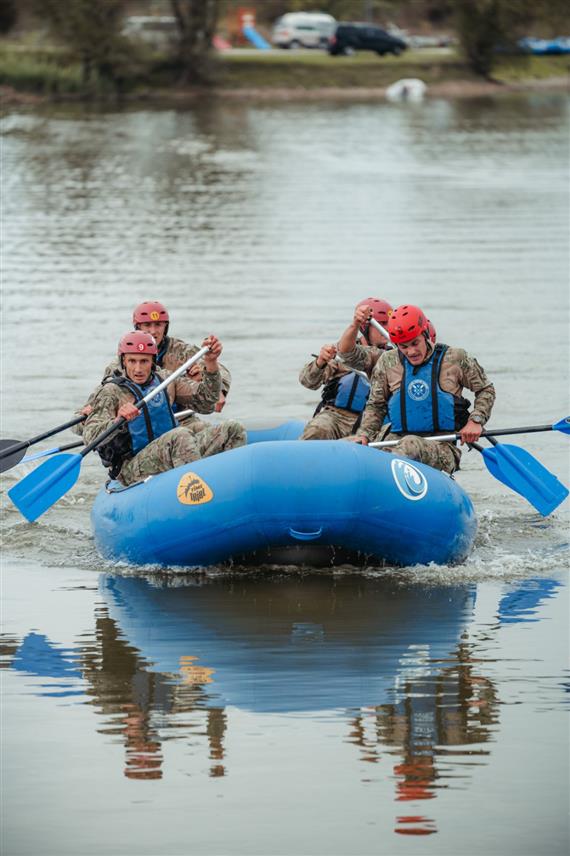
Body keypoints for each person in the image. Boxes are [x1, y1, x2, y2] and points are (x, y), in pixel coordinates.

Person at [344, 304, 495, 473]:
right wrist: (364, 434)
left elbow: (485, 389)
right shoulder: (387, 362)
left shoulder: (455, 358)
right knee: (348, 448)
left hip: (441, 445)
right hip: (393, 441)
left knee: (410, 444)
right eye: (403, 346)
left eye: (415, 343)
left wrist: (476, 420)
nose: (411, 351)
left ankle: (385, 476)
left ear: (425, 334)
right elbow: (376, 405)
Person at [83, 331, 246, 486]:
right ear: (123, 361)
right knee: (180, 435)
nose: (138, 369)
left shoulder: (166, 379)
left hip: (170, 449)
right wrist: (117, 421)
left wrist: (210, 364)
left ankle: (233, 487)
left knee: (232, 429)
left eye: (144, 361)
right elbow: (90, 436)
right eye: (132, 361)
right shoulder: (110, 391)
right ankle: (198, 493)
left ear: (152, 361)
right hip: (132, 465)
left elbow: (207, 403)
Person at [75, 300, 232, 430]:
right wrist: (86, 417)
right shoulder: (118, 366)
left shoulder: (182, 352)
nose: (153, 331)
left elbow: (217, 376)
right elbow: (102, 400)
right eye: (147, 325)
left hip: (181, 418)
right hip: (141, 426)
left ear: (166, 327)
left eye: (158, 325)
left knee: (219, 431)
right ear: (138, 328)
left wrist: (213, 384)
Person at [299, 297, 393, 440]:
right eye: (381, 324)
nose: (386, 329)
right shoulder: (340, 353)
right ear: (365, 327)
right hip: (337, 417)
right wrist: (320, 362)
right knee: (318, 430)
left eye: (389, 323)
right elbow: (308, 382)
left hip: (370, 423)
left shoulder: (393, 358)